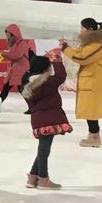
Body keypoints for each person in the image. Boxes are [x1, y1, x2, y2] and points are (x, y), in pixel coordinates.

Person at [22, 55, 73, 190]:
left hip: (38, 119)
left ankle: (33, 177)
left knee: (43, 147)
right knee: (44, 149)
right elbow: (61, 76)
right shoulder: (48, 82)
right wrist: (57, 61)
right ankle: (43, 179)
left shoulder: (27, 85)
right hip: (49, 118)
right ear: (46, 69)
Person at [61, 18, 102, 148]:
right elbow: (79, 53)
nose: (80, 30)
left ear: (90, 30)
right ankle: (93, 135)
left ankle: (95, 137)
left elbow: (82, 58)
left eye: (82, 28)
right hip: (89, 80)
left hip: (93, 81)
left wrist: (66, 49)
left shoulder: (97, 45)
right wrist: (66, 47)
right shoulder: (90, 44)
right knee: (90, 109)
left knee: (91, 110)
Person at [0, 24, 31, 109]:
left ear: (13, 33)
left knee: (20, 89)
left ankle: (33, 107)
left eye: (8, 33)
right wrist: (4, 54)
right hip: (16, 70)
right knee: (8, 89)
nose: (6, 35)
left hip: (21, 70)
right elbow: (13, 55)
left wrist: (5, 54)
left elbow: (17, 55)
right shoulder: (14, 43)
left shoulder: (22, 43)